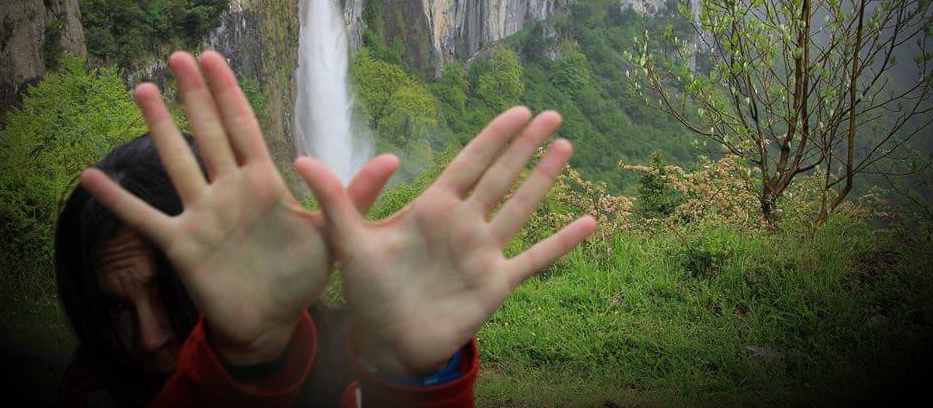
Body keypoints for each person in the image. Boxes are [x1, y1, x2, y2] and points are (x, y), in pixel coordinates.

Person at [57, 50, 597, 406]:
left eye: (170, 289)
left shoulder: (343, 379)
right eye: (117, 309)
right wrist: (240, 359)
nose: (150, 338)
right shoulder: (92, 391)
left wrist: (409, 376)